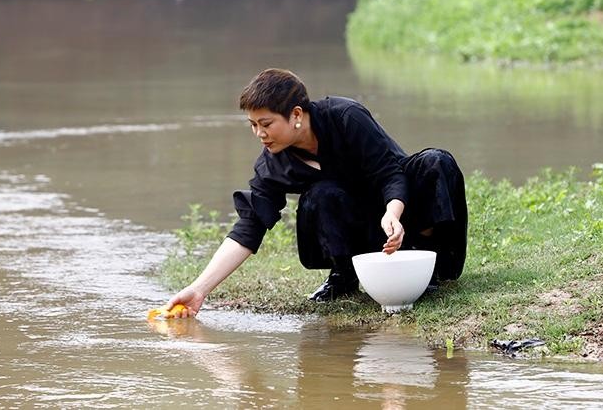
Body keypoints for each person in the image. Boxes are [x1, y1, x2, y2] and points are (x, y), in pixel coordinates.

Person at [165, 68, 467, 316]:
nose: (259, 134)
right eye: (253, 125)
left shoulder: (346, 116)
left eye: (266, 123)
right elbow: (249, 226)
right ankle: (343, 277)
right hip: (362, 228)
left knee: (436, 163)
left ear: (296, 114)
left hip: (399, 213)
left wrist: (393, 212)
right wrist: (199, 289)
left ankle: (430, 269)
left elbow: (390, 172)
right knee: (320, 195)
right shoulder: (272, 164)